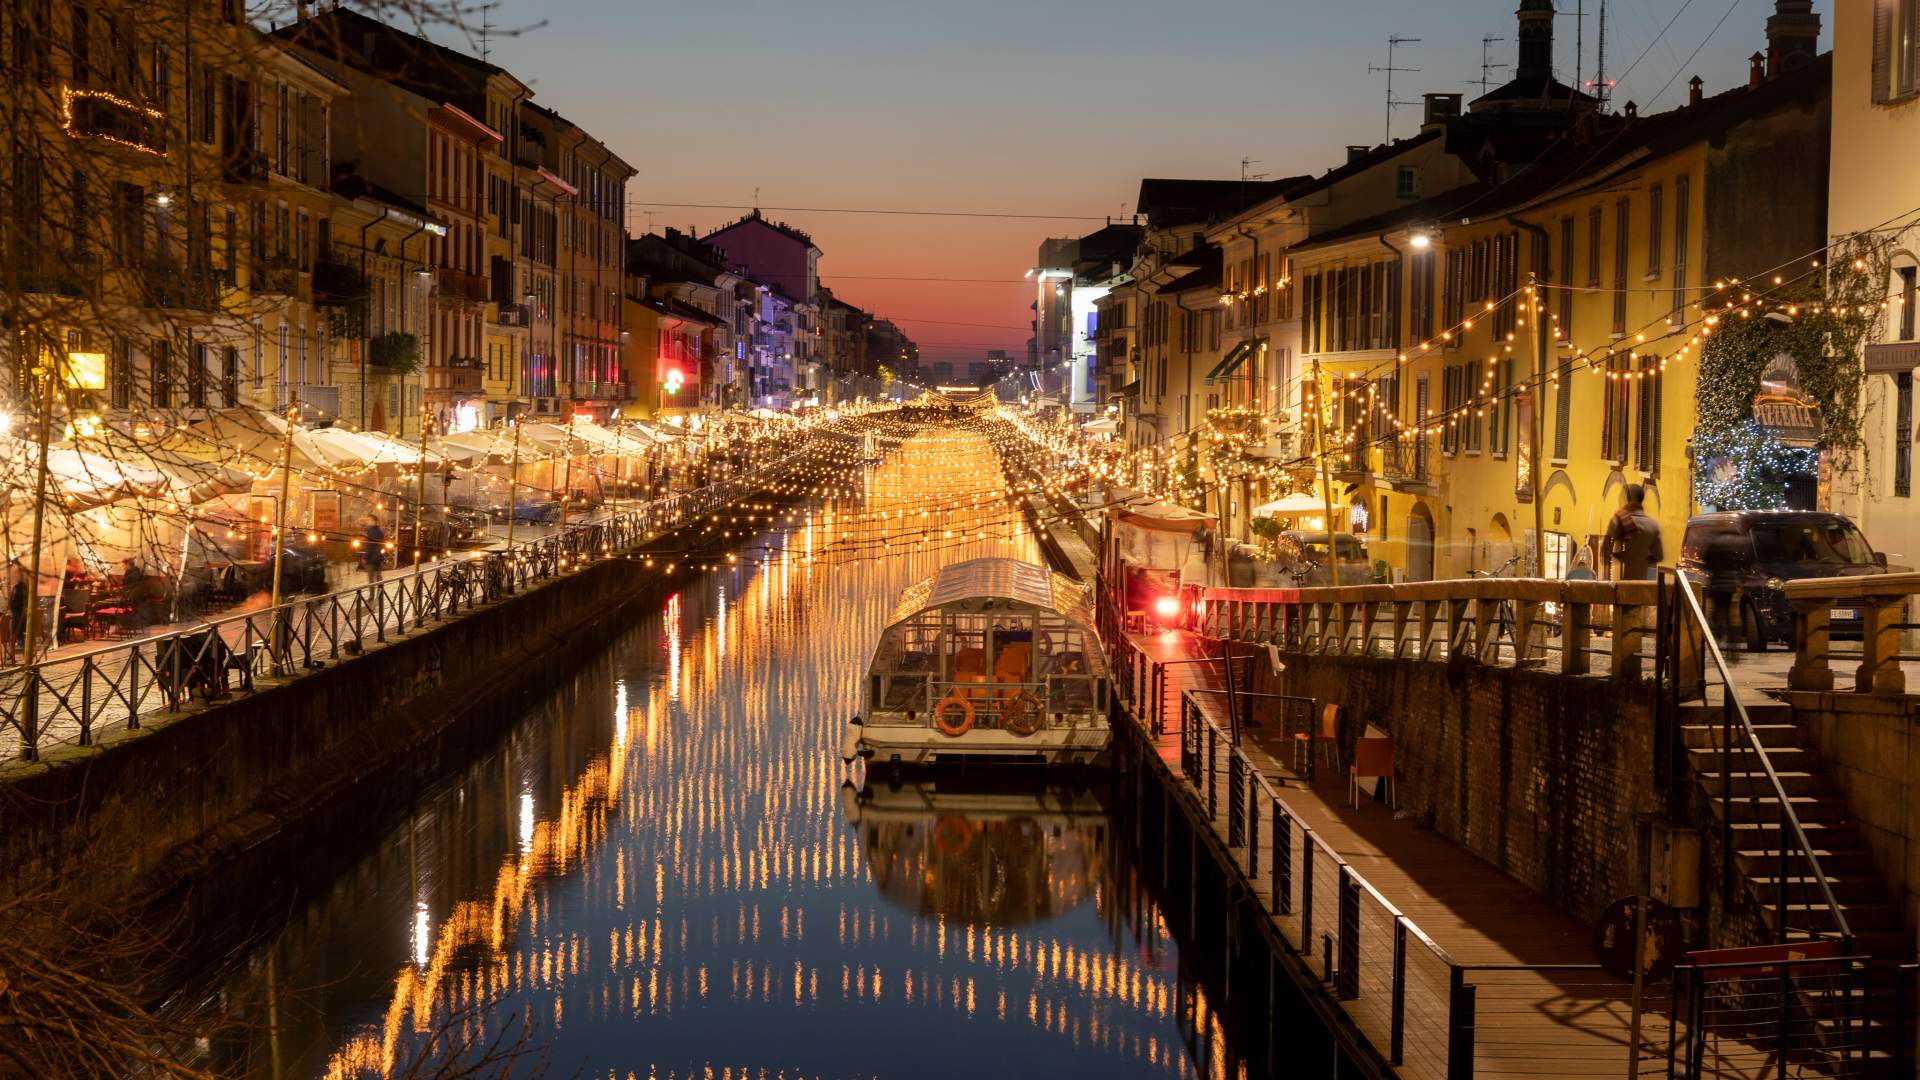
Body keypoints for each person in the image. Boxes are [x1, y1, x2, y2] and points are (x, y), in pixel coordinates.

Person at [1604, 483, 1664, 581]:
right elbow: (1658, 556)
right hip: (1644, 583)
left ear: (1627, 499)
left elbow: (1605, 551)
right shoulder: (1653, 524)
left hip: (1620, 582)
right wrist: (1641, 559)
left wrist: (1619, 557)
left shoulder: (1618, 520)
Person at [7, 561, 27, 655]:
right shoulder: (19, 587)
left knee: (6, 623)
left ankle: (16, 642)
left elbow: (15, 604)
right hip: (18, 616)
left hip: (19, 618)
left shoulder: (20, 588)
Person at [362, 515, 386, 583]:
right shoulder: (380, 532)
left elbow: (369, 546)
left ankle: (372, 594)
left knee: (371, 580)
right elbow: (382, 545)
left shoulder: (370, 532)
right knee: (378, 578)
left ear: (374, 521)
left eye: (369, 520)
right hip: (378, 558)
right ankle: (380, 593)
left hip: (371, 559)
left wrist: (365, 557)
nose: (367, 521)